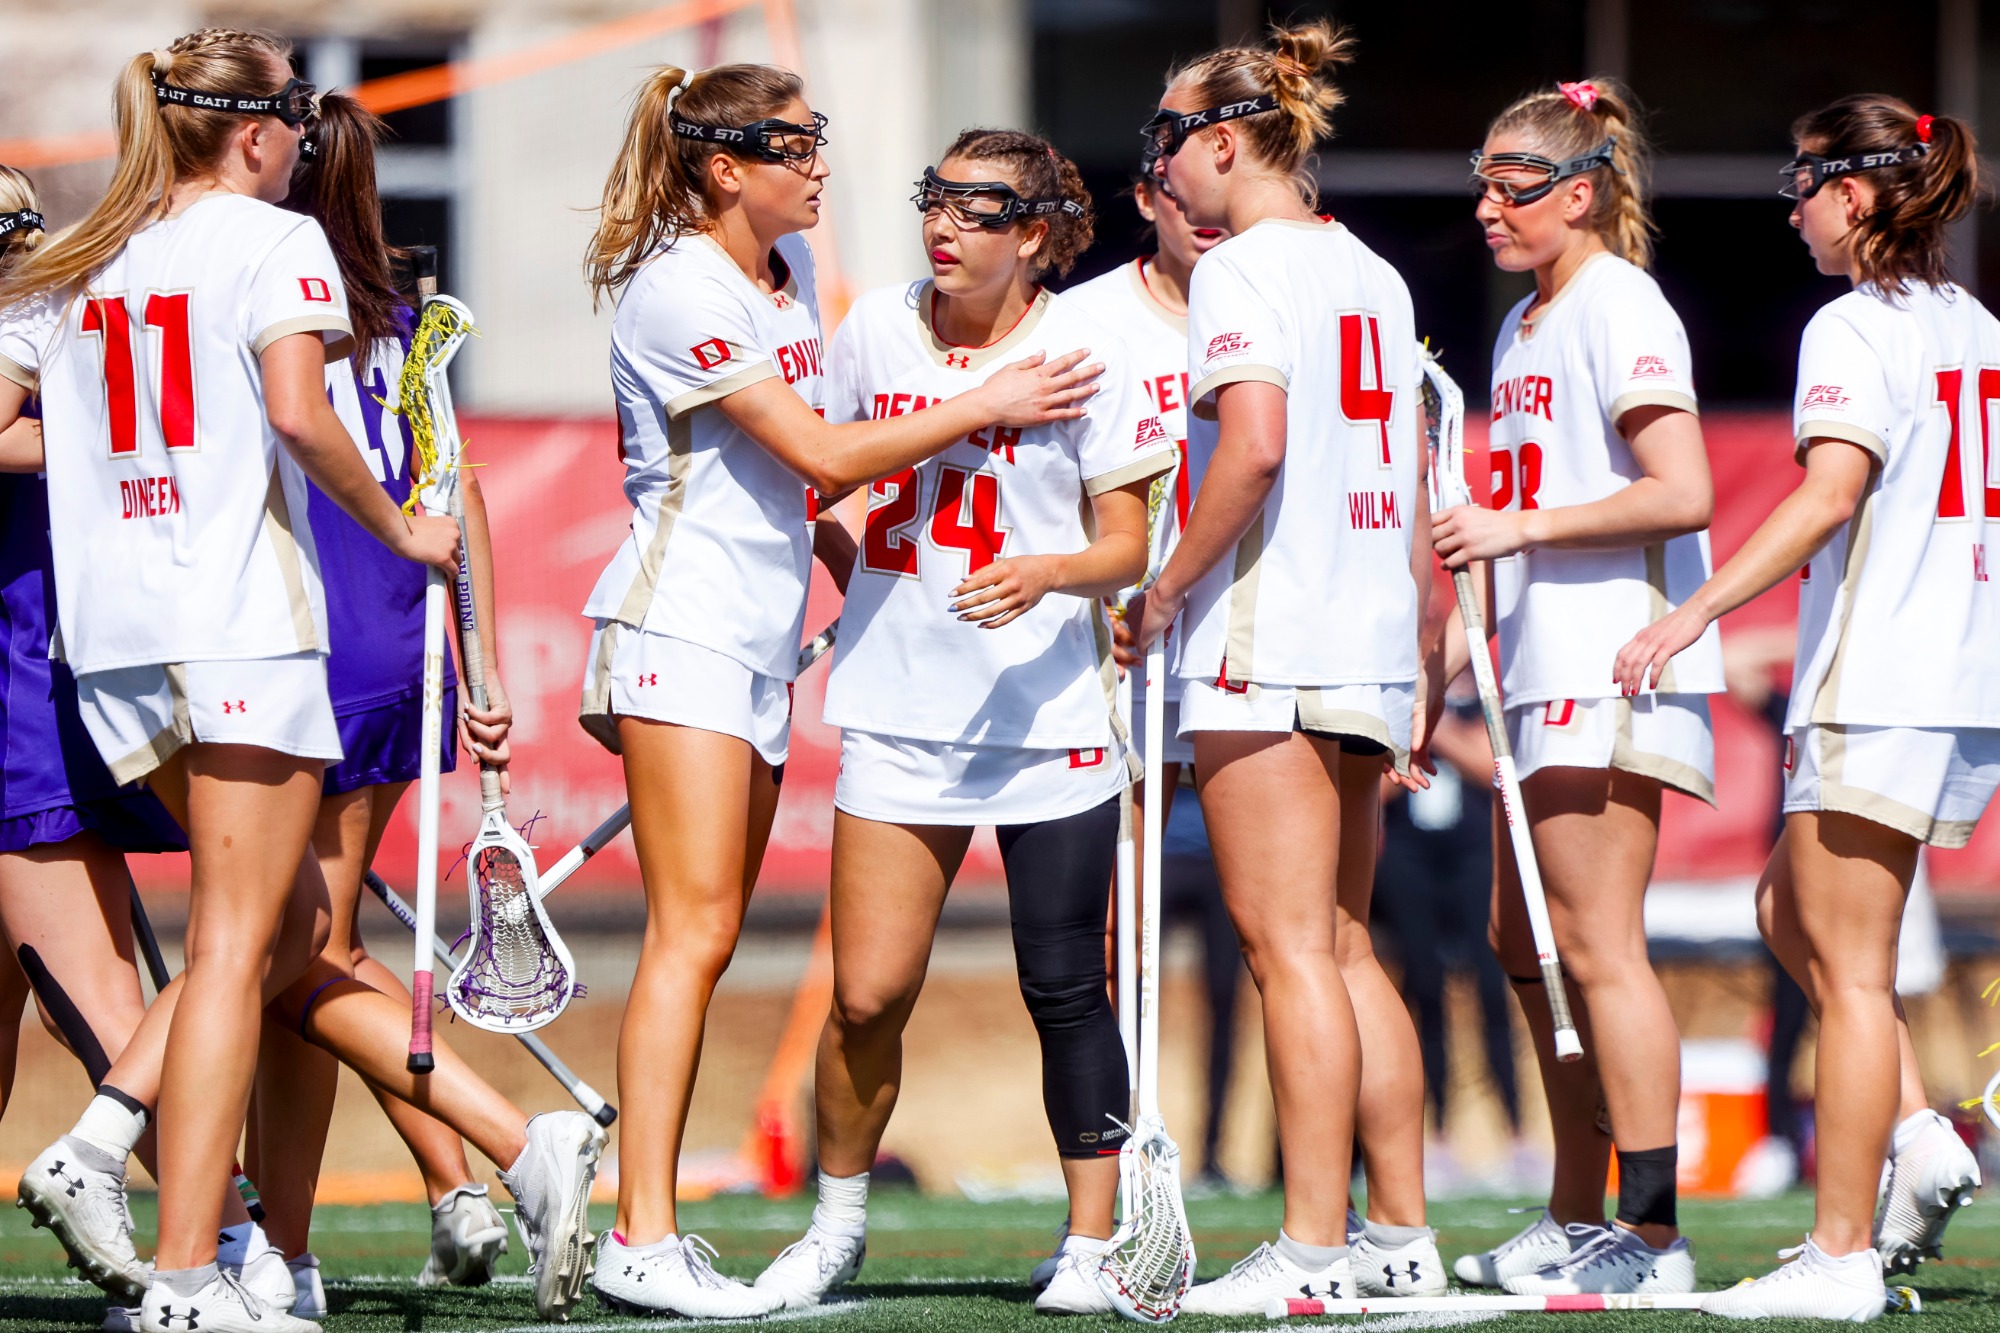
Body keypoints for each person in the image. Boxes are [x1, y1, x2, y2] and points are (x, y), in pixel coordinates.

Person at [578, 63, 1106, 1319]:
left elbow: (804, 492)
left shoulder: (787, 277)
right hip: (681, 628)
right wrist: (983, 403)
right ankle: (638, 1232)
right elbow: (817, 451)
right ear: (723, 165)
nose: (823, 165)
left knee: (712, 941)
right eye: (797, 145)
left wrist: (852, 554)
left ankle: (650, 1226)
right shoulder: (679, 286)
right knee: (692, 938)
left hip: (757, 644)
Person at [0, 28, 457, 1333]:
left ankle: (200, 1243)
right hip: (240, 628)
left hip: (116, 642)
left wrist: (94, 454)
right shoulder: (273, 241)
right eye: (295, 130)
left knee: (232, 947)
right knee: (235, 950)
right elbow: (305, 414)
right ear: (258, 132)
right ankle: (193, 1274)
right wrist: (402, 526)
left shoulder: (83, 251)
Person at [751, 127, 1169, 1319]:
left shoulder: (1093, 347)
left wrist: (1048, 574)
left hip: (1047, 711)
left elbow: (1126, 546)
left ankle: (1089, 1242)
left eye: (975, 210)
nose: (942, 227)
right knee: (867, 996)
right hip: (900, 710)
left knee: (1063, 986)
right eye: (933, 200)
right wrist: (859, 578)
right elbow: (819, 474)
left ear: (1033, 234)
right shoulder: (875, 326)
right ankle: (835, 1227)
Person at [1616, 93, 1996, 1321]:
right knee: (1789, 906)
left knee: (1845, 974)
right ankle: (1914, 1136)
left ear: (1858, 191)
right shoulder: (1973, 322)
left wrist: (1694, 609)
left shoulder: (1851, 323)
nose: (1789, 207)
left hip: (1880, 674)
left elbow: (1827, 494)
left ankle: (1838, 1254)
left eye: (1801, 183)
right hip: (1947, 674)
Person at [1125, 21, 1441, 1315]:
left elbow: (1249, 450)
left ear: (1220, 142)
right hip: (1361, 636)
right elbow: (1413, 486)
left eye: (1165, 140)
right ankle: (1399, 1235)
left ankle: (1312, 1248)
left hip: (1271, 638)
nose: (1158, 169)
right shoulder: (1374, 271)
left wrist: (1163, 589)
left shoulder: (1238, 271)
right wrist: (1423, 653)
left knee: (1289, 951)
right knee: (1351, 948)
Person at [242, 88, 525, 1313]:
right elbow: (457, 505)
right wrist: (486, 657)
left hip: (291, 646)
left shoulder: (251, 310)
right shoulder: (406, 325)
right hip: (389, 651)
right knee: (290, 963)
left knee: (286, 960)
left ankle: (482, 1161)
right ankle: (426, 1184)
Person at [1436, 77, 1719, 1297]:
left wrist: (1514, 528)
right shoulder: (1522, 327)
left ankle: (1652, 1233)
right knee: (1527, 942)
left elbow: (1681, 489)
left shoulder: (1620, 304)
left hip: (1618, 657)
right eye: (1481, 183)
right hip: (1537, 666)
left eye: (1513, 185)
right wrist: (1436, 674)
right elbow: (1510, 533)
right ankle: (1571, 1208)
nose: (1488, 208)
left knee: (1596, 947)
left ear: (1581, 190)